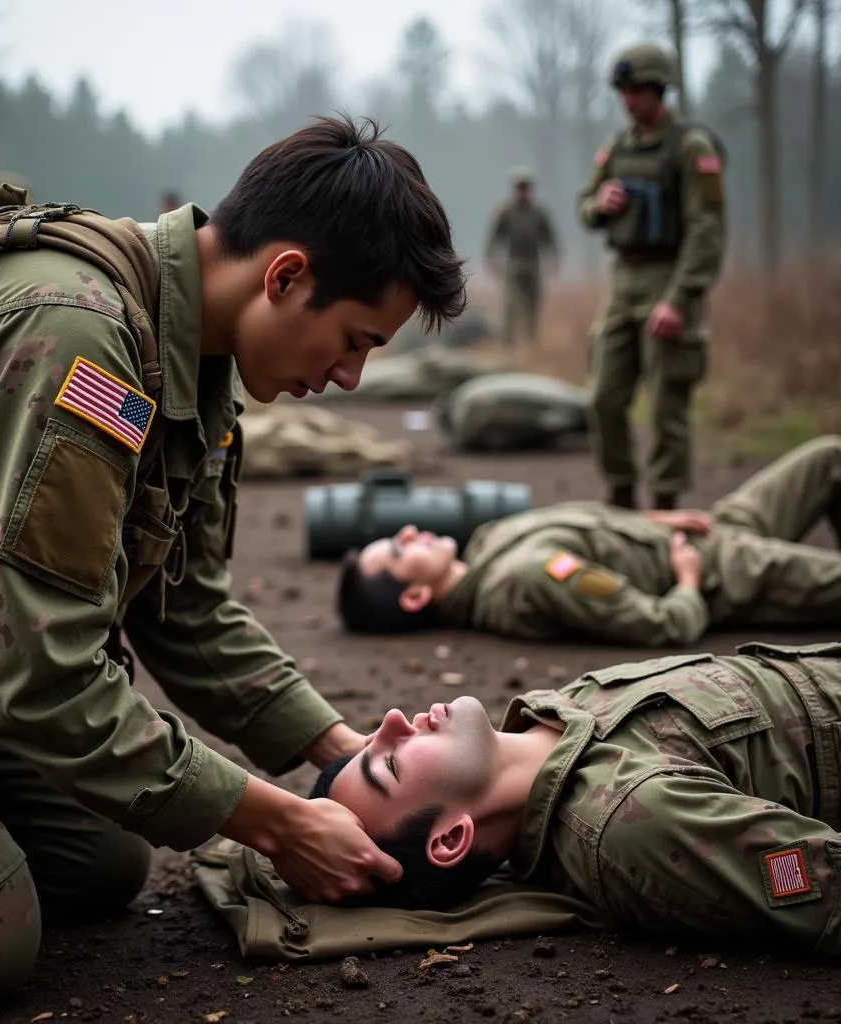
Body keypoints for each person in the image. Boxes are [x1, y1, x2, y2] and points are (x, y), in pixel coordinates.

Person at [0, 115, 466, 1017]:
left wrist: (336, 748)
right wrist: (275, 822)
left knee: (98, 861)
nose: (353, 375)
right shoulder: (76, 339)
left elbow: (186, 612)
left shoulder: (193, 370)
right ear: (285, 275)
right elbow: (38, 682)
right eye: (357, 338)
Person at [309, 639, 841, 956]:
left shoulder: (563, 712)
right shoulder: (636, 824)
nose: (391, 721)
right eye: (390, 765)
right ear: (450, 838)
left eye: (373, 738)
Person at [336, 435, 841, 646]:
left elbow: (589, 527)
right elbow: (661, 624)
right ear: (416, 596)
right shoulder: (528, 579)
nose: (406, 531)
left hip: (703, 528)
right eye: (400, 551)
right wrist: (689, 582)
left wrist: (650, 520)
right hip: (723, 574)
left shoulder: (488, 543)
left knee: (827, 457)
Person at [577, 42, 726, 511]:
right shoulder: (617, 148)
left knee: (666, 404)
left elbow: (707, 231)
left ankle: (665, 506)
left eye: (637, 89)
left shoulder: (690, 147)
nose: (628, 99)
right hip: (624, 278)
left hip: (669, 275)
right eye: (623, 90)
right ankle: (620, 495)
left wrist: (679, 300)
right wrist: (600, 206)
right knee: (603, 396)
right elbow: (585, 205)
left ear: (659, 90)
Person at [485, 167, 559, 349]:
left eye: (526, 187)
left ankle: (531, 342)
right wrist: (492, 257)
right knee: (510, 303)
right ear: (515, 189)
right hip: (513, 262)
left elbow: (550, 237)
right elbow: (495, 237)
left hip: (533, 262)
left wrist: (554, 258)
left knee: (533, 303)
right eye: (520, 187)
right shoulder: (505, 212)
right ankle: (507, 343)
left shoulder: (539, 213)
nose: (522, 191)